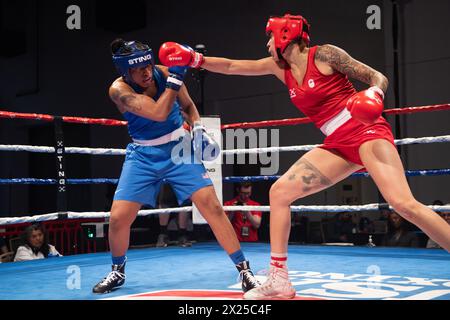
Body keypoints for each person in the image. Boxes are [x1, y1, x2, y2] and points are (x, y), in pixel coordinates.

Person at [159, 13, 450, 299]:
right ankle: (279, 279)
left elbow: (377, 76)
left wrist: (374, 93)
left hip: (366, 131)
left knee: (403, 204)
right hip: (337, 143)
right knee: (280, 192)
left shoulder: (324, 55)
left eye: (270, 39)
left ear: (284, 36)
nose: (267, 46)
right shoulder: (279, 68)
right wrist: (195, 60)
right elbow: (235, 66)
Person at [92, 39, 260, 294]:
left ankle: (244, 270)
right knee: (117, 219)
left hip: (179, 149)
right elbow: (159, 113)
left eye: (148, 65)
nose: (147, 72)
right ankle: (117, 271)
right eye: (139, 69)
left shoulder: (164, 72)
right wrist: (177, 76)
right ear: (126, 72)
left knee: (213, 207)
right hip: (143, 155)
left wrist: (198, 126)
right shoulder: (119, 91)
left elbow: (189, 106)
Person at [156, 183, 192, 247]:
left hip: (183, 178)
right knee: (165, 200)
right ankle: (163, 235)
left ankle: (182, 235)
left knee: (184, 202)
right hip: (166, 178)